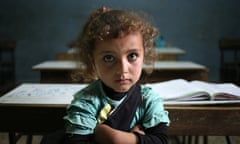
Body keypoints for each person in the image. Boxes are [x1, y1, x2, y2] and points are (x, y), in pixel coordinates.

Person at [63, 7, 170, 144]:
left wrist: (114, 138)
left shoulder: (148, 99)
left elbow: (161, 140)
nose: (123, 70)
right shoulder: (86, 102)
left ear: (145, 54)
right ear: (92, 59)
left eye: (132, 56)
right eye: (109, 58)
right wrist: (139, 139)